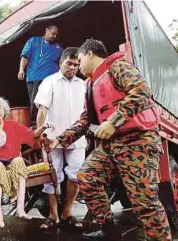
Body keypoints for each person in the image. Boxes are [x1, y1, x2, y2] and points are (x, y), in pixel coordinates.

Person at [48, 39, 171, 240]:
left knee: (144, 201)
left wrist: (114, 121)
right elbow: (86, 120)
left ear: (89, 54)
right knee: (87, 176)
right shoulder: (90, 84)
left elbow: (142, 92)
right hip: (111, 146)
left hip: (137, 141)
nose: (77, 66)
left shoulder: (117, 66)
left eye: (79, 59)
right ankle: (108, 229)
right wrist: (59, 140)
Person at [34, 47, 86, 229]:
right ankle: (53, 214)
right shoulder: (50, 82)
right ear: (60, 62)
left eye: (76, 65)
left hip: (77, 139)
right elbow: (42, 111)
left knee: (75, 175)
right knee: (52, 176)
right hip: (52, 138)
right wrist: (42, 134)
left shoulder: (83, 84)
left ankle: (67, 212)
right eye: (68, 64)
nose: (72, 68)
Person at [0, 95, 51, 227]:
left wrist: (43, 127)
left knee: (19, 161)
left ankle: (20, 209)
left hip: (12, 163)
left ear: (4, 109)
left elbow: (32, 135)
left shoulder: (12, 125)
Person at [18, 25, 63, 121]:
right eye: (53, 34)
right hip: (35, 77)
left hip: (53, 80)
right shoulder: (34, 41)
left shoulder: (59, 48)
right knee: (36, 103)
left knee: (53, 103)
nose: (54, 36)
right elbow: (25, 57)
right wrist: (21, 69)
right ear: (46, 30)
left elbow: (63, 64)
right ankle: (35, 125)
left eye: (56, 35)